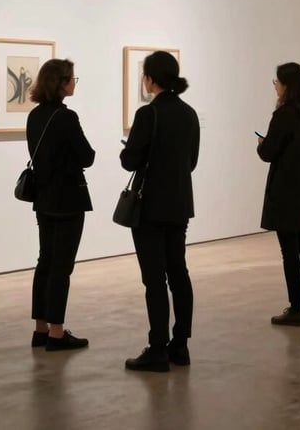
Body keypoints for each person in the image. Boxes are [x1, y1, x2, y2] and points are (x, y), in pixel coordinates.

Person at [121, 51, 200, 371]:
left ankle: (157, 348)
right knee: (178, 273)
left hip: (150, 205)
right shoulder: (189, 113)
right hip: (179, 203)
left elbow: (130, 161)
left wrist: (129, 151)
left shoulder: (148, 115)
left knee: (154, 279)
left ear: (151, 78)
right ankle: (180, 345)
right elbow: (191, 161)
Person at [27, 59, 95, 351]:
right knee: (61, 267)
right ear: (62, 82)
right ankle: (57, 333)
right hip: (67, 200)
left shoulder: (35, 116)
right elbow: (86, 156)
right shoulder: (66, 117)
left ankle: (40, 329)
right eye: (72, 78)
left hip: (43, 198)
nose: (74, 82)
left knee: (45, 261)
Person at [258, 62, 300, 326]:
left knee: (290, 251)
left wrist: (262, 144)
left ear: (287, 85)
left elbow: (268, 153)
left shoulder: (284, 115)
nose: (276, 87)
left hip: (285, 191)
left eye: (277, 82)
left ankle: (296, 308)